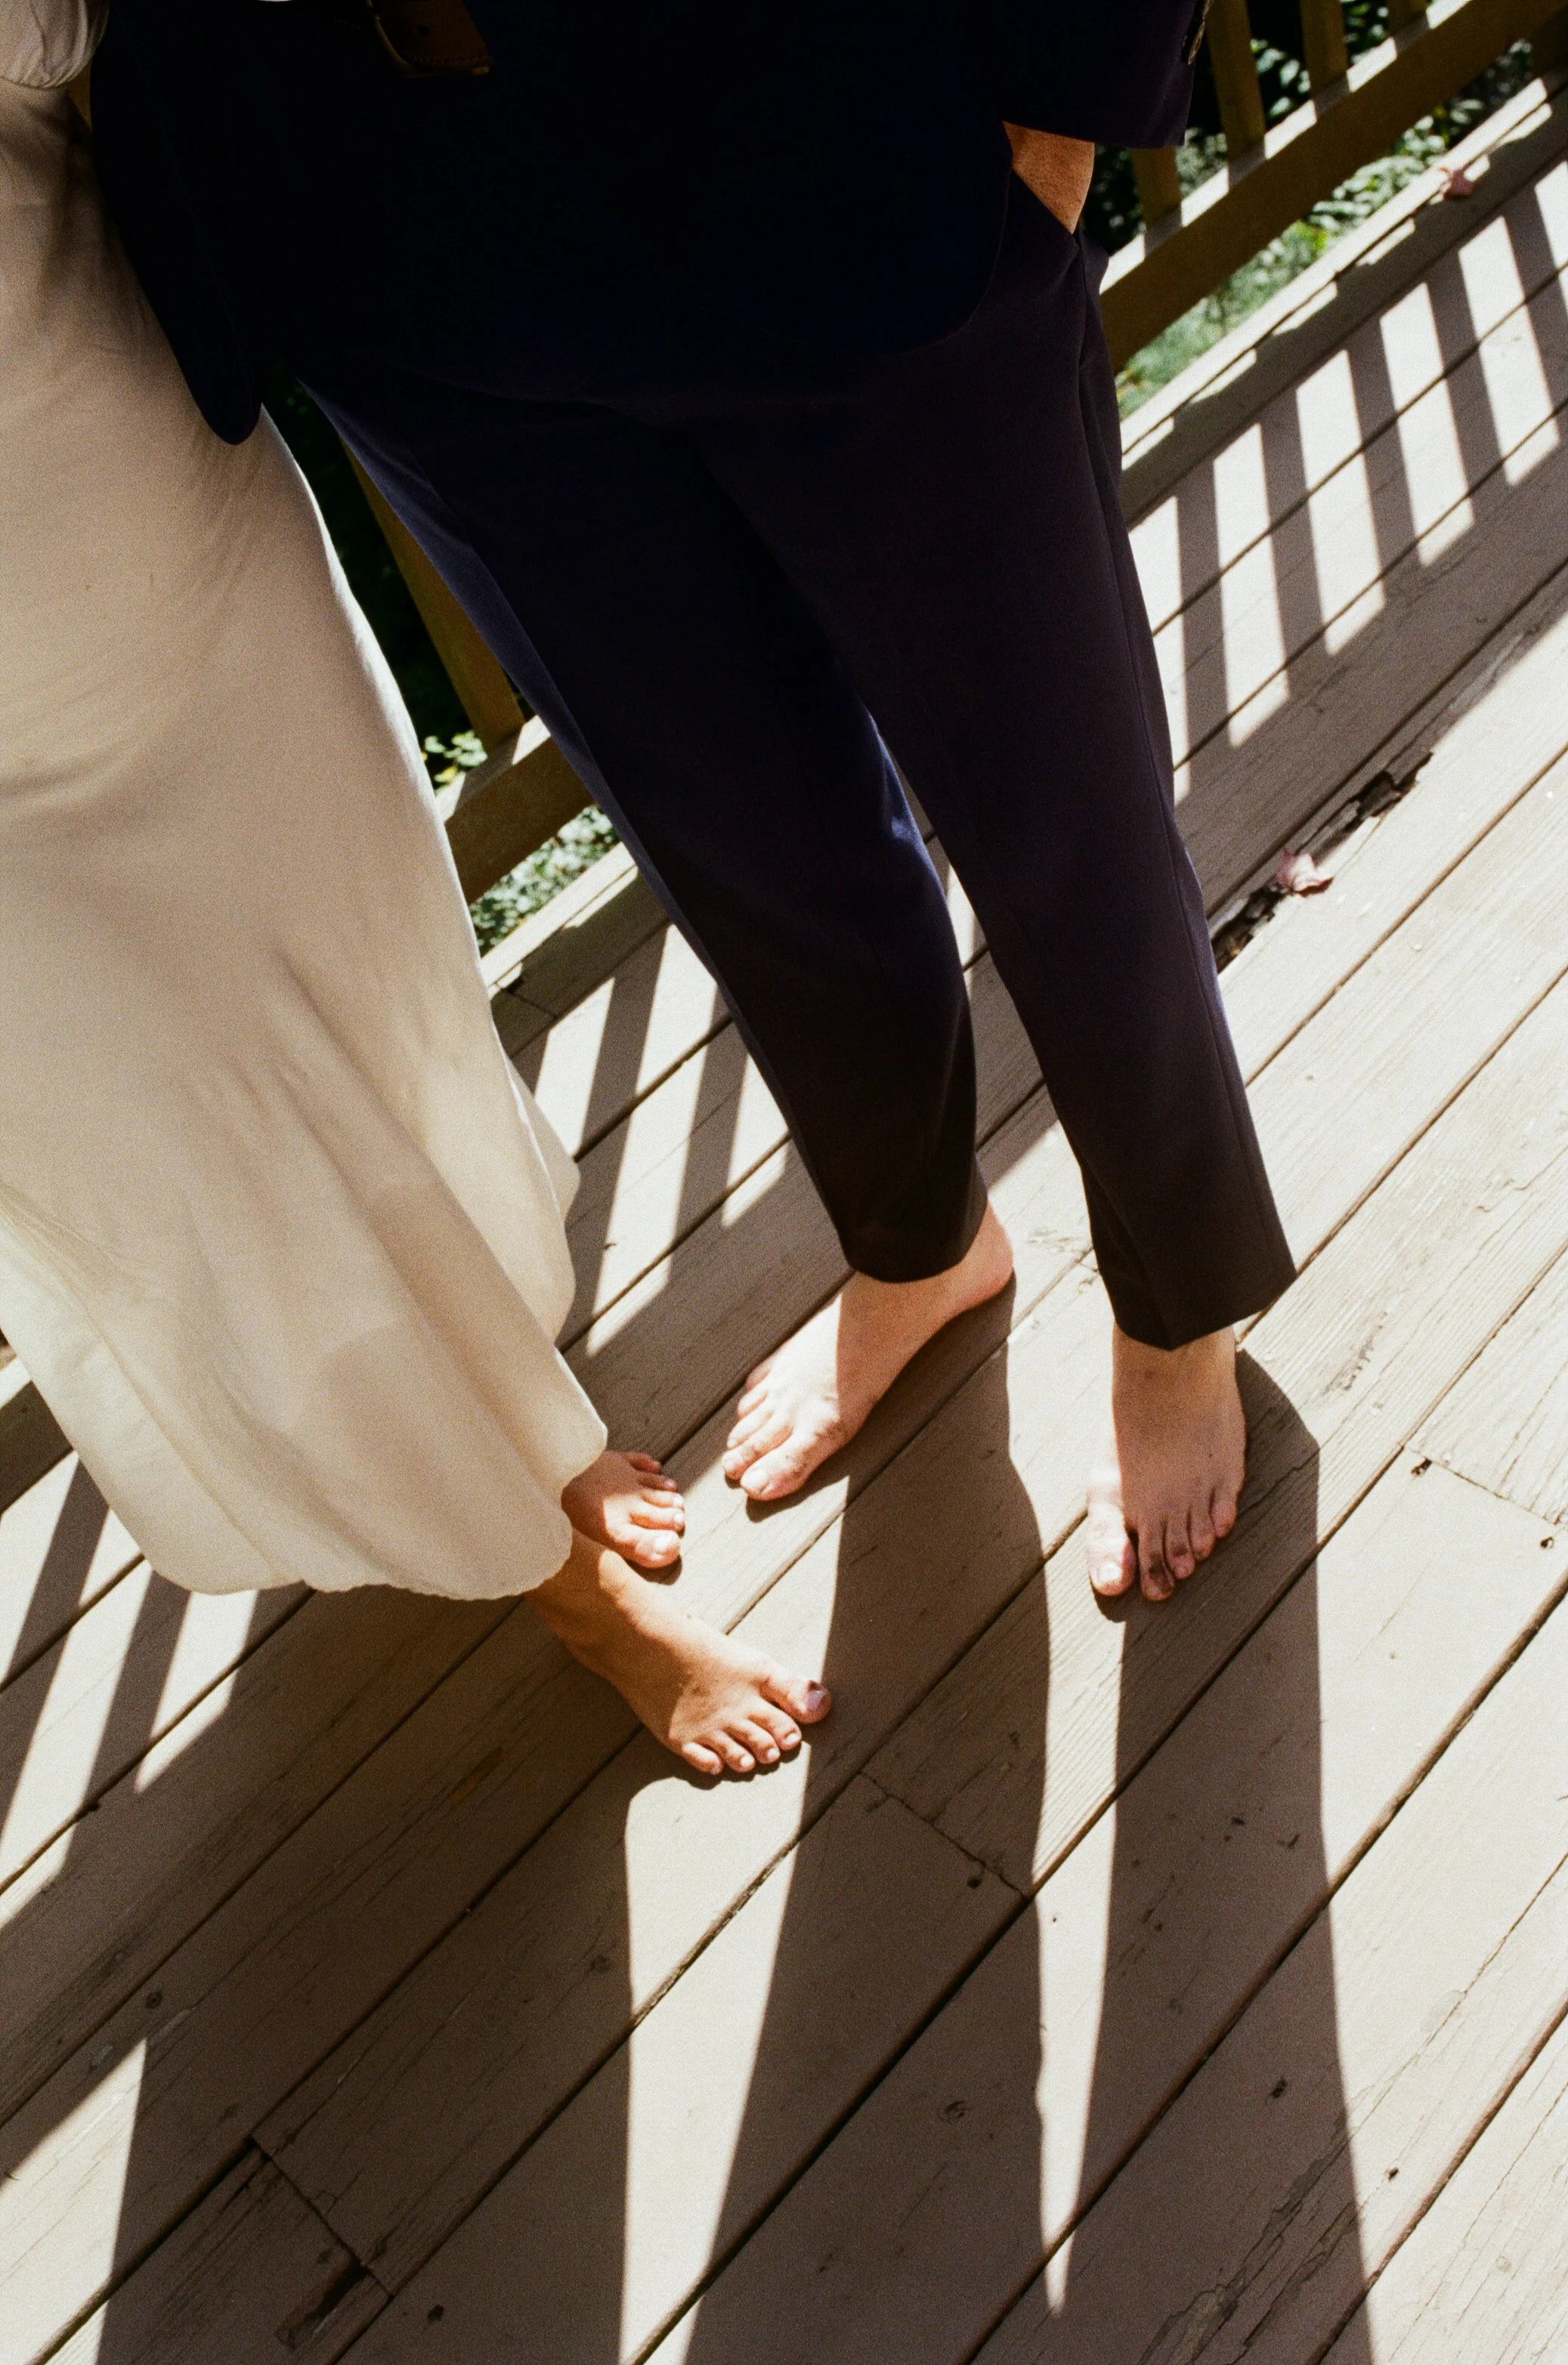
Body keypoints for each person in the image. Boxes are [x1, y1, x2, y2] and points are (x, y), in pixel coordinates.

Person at [91, 0, 1295, 1606]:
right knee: (743, 849)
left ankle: (1175, 1299)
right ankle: (920, 1237)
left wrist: (1070, 95)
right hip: (389, 241)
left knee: (1056, 809)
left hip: (850, 142)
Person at [0, 0, 831, 1779]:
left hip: (183, 570)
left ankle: (502, 1411)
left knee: (367, 997)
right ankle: (561, 1580)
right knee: (212, 1167)